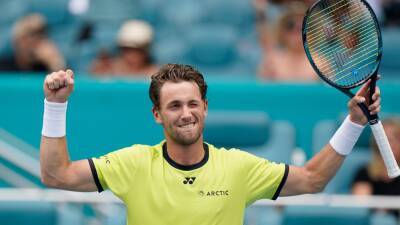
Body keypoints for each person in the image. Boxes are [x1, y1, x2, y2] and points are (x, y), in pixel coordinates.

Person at [40, 64, 381, 225]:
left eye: (192, 104)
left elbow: (312, 179)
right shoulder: (133, 163)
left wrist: (353, 122)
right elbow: (57, 175)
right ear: (157, 114)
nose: (185, 113)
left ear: (205, 107)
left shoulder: (238, 167)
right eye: (174, 106)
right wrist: (55, 106)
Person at [253, 1, 319, 81]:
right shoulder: (271, 62)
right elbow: (261, 89)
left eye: (302, 26)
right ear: (282, 31)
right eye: (290, 25)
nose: (296, 31)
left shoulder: (321, 63)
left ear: (310, 31)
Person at [352, 117, 400, 216]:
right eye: (386, 139)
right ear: (376, 143)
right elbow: (360, 206)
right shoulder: (365, 172)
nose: (391, 144)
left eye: (396, 139)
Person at [90, 20, 158, 77]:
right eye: (127, 50)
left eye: (137, 51)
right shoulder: (107, 70)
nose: (132, 55)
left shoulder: (155, 75)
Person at [0, 14, 65, 73]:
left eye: (40, 37)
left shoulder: (45, 66)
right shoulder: (3, 66)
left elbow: (63, 83)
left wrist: (55, 62)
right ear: (16, 41)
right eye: (29, 36)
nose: (33, 43)